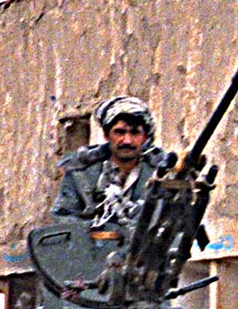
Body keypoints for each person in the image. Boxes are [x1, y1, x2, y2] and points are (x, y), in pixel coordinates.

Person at [52, 95, 169, 229]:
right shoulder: (80, 172)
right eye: (120, 132)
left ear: (145, 137)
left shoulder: (161, 174)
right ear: (106, 135)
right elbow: (63, 217)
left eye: (135, 133)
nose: (127, 140)